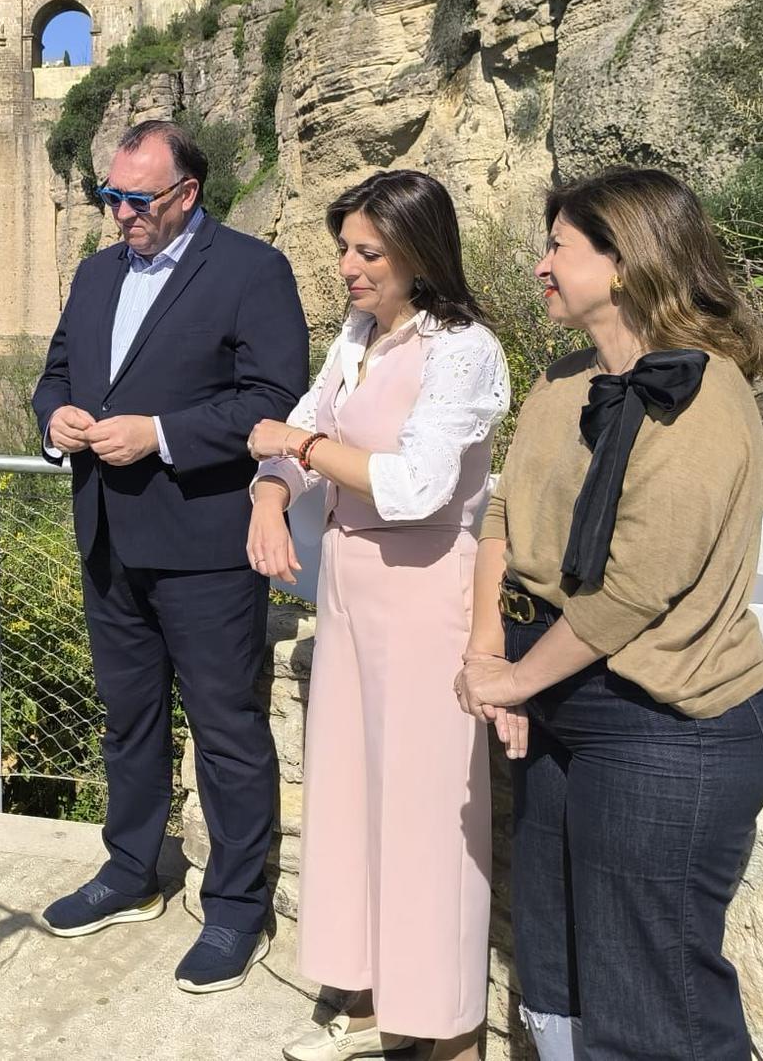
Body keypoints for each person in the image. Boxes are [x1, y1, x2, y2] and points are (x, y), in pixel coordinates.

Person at [457, 167, 763, 1061]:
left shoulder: (705, 395)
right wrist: (491, 654)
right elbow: (503, 514)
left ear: (626, 261)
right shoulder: (563, 383)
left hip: (670, 724)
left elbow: (640, 585)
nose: (539, 267)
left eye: (558, 247)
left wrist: (517, 678)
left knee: (653, 999)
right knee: (559, 964)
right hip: (566, 697)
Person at [31, 118, 309, 994]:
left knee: (226, 730)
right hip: (108, 537)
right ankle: (131, 872)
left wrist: (159, 433)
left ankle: (233, 907)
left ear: (186, 195)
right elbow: (56, 371)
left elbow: (275, 397)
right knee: (129, 721)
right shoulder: (95, 273)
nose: (119, 214)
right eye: (111, 196)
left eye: (136, 199)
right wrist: (53, 421)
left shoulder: (251, 270)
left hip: (203, 546)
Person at [247, 170, 510, 1061]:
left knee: (429, 811)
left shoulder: (463, 348)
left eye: (367, 252)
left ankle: (446, 1033)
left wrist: (302, 450)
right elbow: (295, 425)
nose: (348, 270)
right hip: (353, 583)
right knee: (353, 792)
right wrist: (270, 495)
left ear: (417, 253)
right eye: (345, 251)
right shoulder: (361, 334)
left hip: (428, 585)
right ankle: (369, 1001)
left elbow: (415, 485)